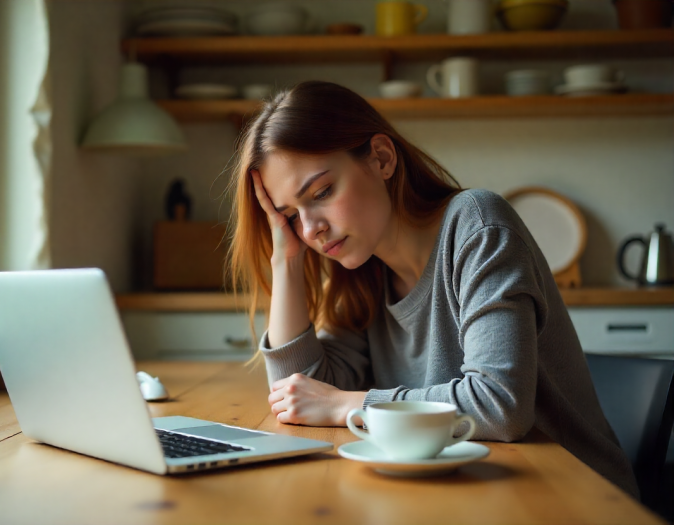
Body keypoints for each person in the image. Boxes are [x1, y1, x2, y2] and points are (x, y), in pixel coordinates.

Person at [225, 80, 638, 497]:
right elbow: (298, 395)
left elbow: (499, 405)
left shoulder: (478, 226)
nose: (311, 228)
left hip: (574, 497)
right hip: (469, 491)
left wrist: (343, 405)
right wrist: (286, 259)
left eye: (322, 192)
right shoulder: (361, 271)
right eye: (290, 214)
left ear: (381, 158)